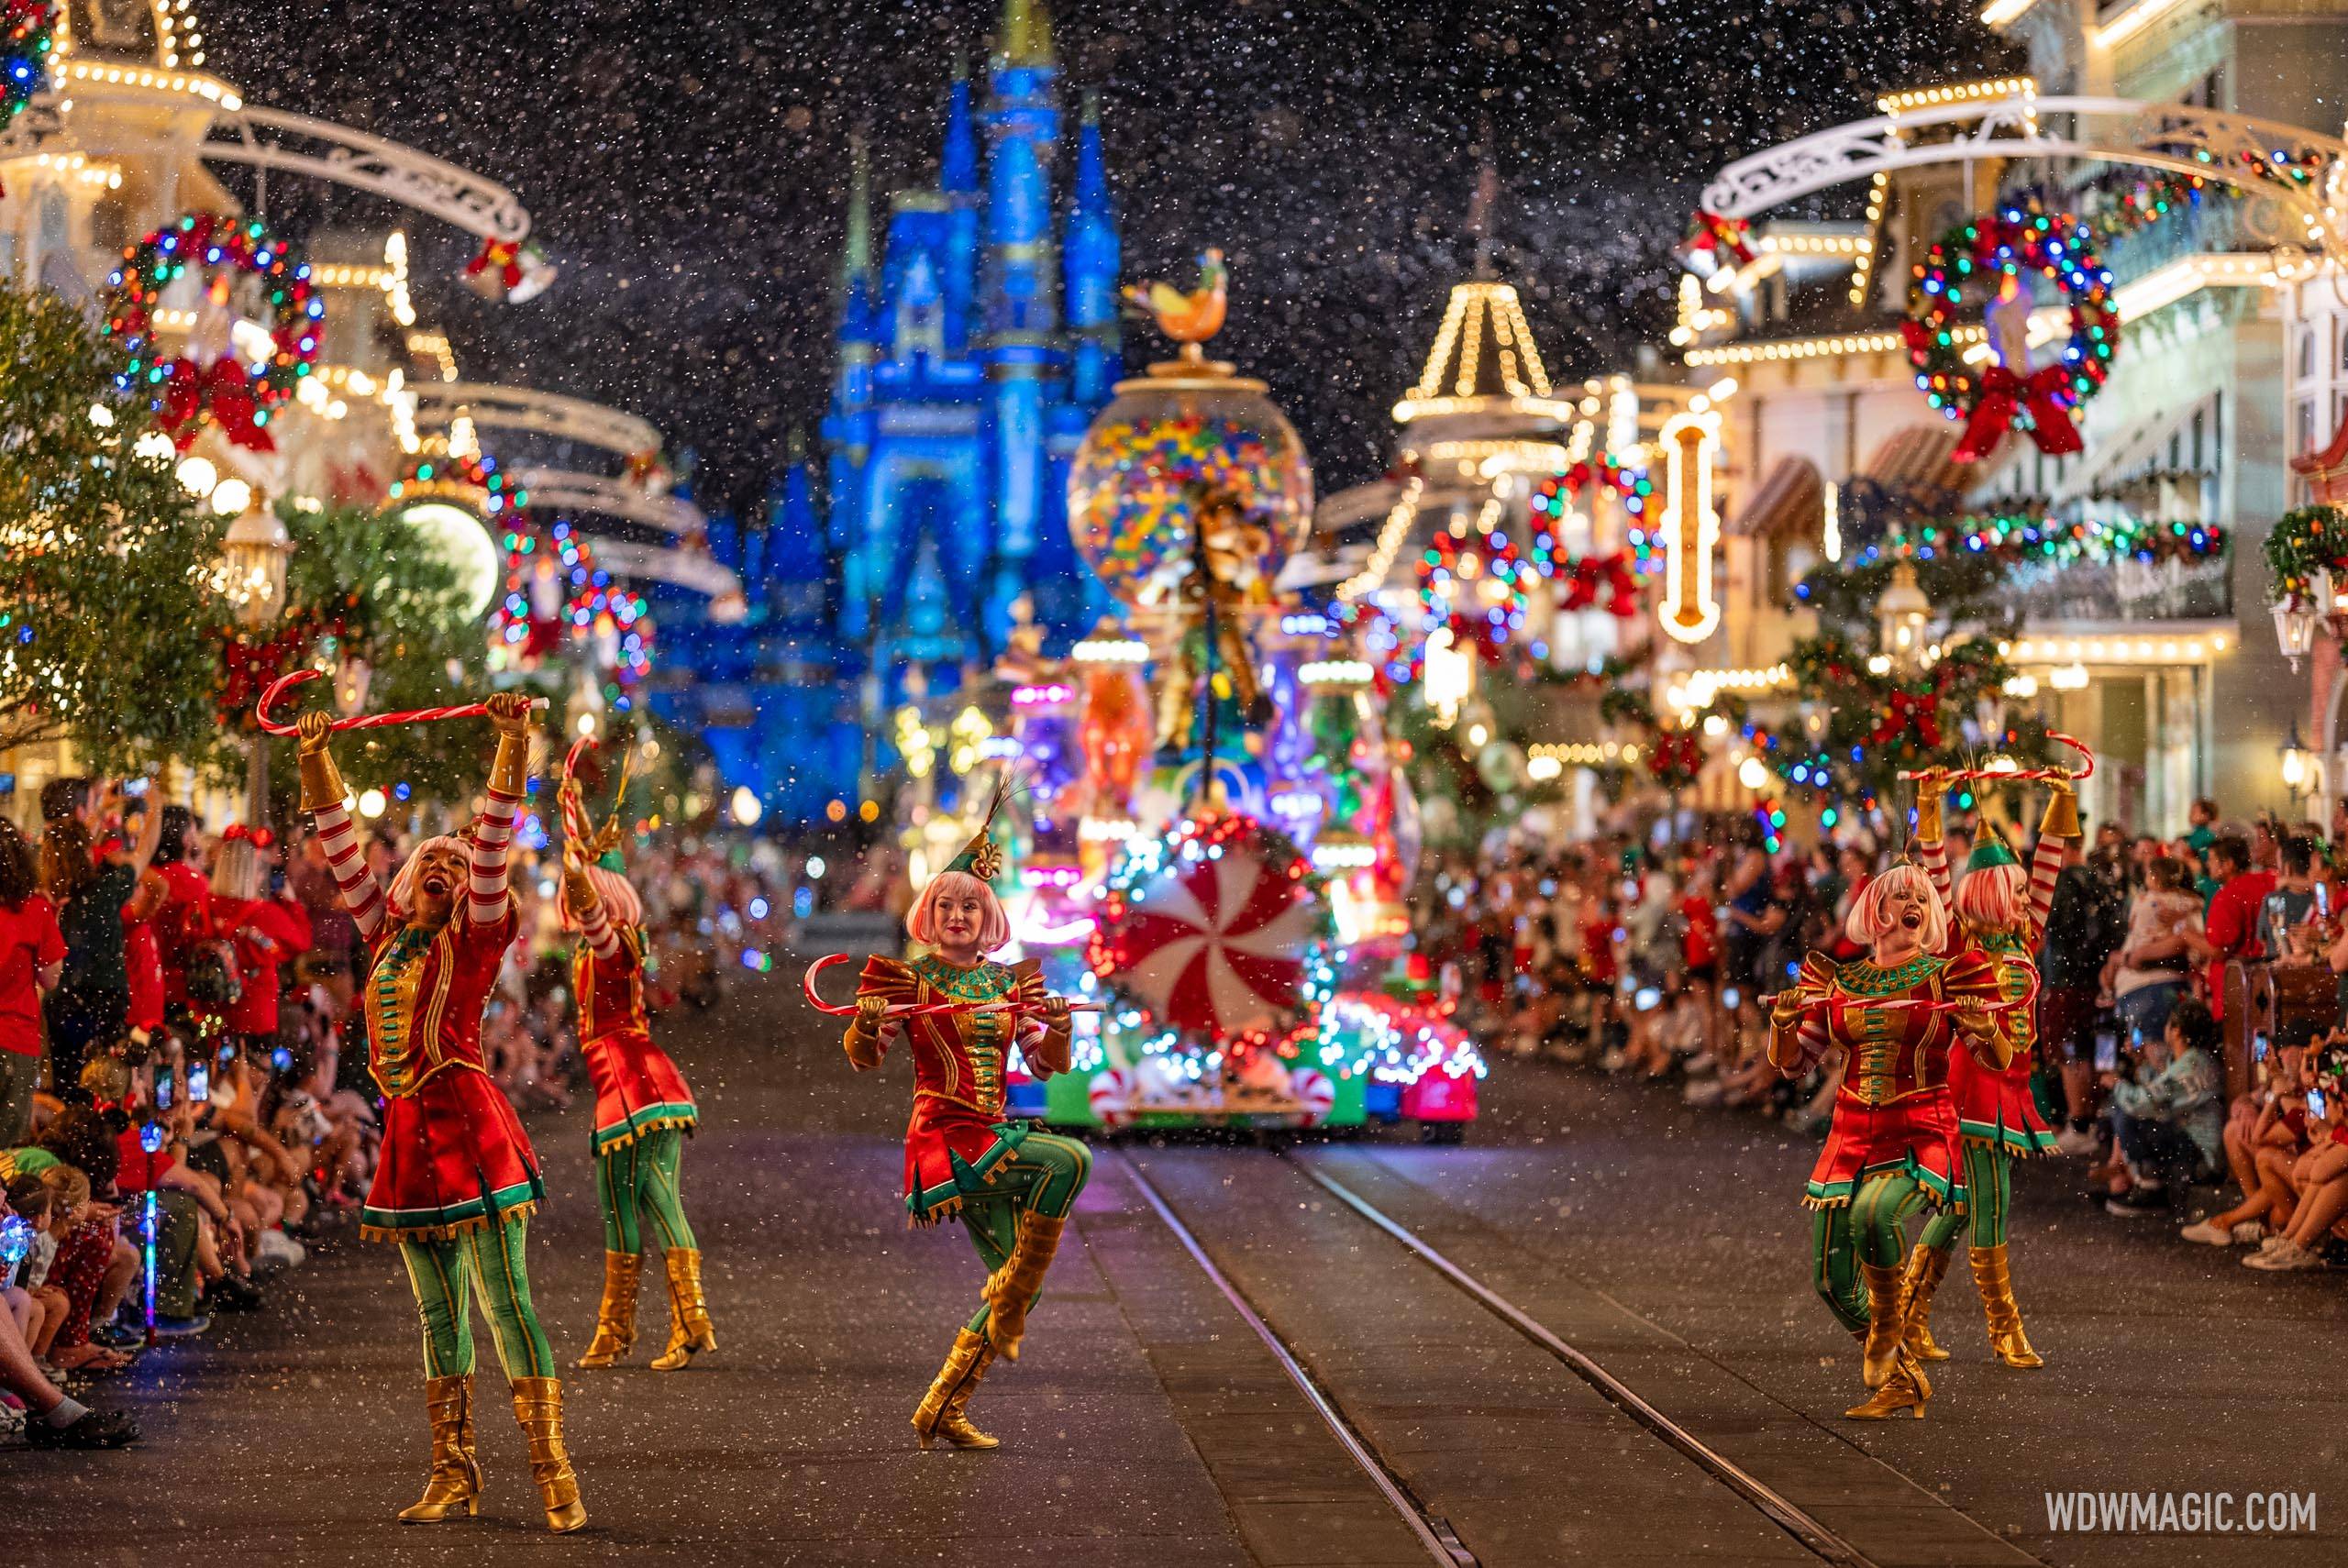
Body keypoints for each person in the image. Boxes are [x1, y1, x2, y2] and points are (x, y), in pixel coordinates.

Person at [295, 693, 585, 1532]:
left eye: (457, 870)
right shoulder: (384, 939)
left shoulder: (478, 938)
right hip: (410, 1136)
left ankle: (552, 1468)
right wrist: (317, 756)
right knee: (436, 1312)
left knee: (506, 1300)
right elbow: (340, 841)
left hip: (470, 1123)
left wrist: (511, 744)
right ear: (404, 880)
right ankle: (453, 1472)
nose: (448, 868)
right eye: (434, 859)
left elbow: (493, 842)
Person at [841, 781, 1081, 1450]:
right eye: (945, 904)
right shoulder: (908, 981)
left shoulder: (1010, 984)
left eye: (968, 907)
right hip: (945, 1138)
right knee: (1071, 1158)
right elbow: (866, 1057)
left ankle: (941, 1406)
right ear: (928, 912)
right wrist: (865, 1027)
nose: (956, 916)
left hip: (995, 1136)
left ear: (987, 917)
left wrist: (1057, 1028)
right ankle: (1005, 1313)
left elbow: (1044, 1066)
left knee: (1015, 1292)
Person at [1767, 864, 2002, 1420]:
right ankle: (1903, 1377)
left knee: (1875, 1215)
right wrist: (1781, 1024)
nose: (1914, 904)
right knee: (1828, 1279)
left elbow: (1998, 1061)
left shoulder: (1950, 978)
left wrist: (1984, 1027)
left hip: (1920, 1128)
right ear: (1874, 913)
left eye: (1922, 897)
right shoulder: (1840, 981)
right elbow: (1793, 1066)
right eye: (1900, 896)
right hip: (1851, 1133)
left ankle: (1891, 1326)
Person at [1903, 778, 2077, 1371]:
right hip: (1973, 1087)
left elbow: (2049, 866)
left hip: (2011, 1086)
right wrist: (1929, 811)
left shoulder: (2024, 937)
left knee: (1958, 1207)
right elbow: (1933, 879)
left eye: (2027, 889)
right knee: (1991, 1204)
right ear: (1991, 895)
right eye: (2018, 889)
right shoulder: (1958, 941)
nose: (2029, 896)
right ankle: (2005, 1329)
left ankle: (1906, 1318)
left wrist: (2062, 798)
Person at [558, 767, 713, 1374]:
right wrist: (572, 810)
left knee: (654, 1196)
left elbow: (592, 913)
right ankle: (613, 1332)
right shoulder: (600, 944)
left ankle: (692, 1320)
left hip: (636, 1083)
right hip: (619, 1086)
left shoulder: (615, 941)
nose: (573, 903)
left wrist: (577, 869)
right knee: (615, 1203)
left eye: (584, 893)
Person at [2103, 997, 2225, 1217]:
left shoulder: (2194, 1064)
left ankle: (2152, 1188)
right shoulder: (2187, 1060)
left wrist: (2117, 1084)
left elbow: (2145, 1102)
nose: (2165, 1029)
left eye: (2170, 1024)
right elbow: (2161, 1090)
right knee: (2121, 1115)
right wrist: (2141, 1064)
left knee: (2128, 1117)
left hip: (2202, 1156)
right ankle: (2143, 1181)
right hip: (2187, 1141)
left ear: (2177, 1031)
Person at [0, 817, 65, 1148]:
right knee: (8, 1147)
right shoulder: (33, 909)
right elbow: (51, 977)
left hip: (16, 1041)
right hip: (14, 1041)